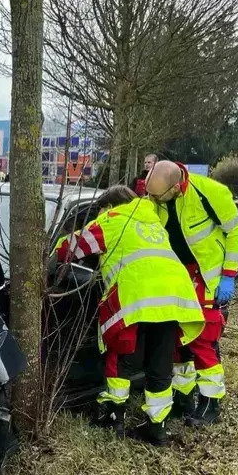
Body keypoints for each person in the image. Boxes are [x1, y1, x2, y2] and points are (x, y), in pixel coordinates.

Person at [53, 184, 205, 446]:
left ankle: (114, 417)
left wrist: (58, 242)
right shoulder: (151, 221)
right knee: (160, 364)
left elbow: (68, 249)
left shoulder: (112, 221)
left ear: (110, 206)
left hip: (138, 297)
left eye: (100, 211)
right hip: (173, 299)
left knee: (120, 358)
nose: (98, 216)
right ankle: (157, 428)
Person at [144, 160, 238, 426]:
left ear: (177, 187)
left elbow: (235, 231)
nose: (153, 200)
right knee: (178, 338)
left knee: (203, 338)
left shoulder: (210, 192)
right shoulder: (155, 197)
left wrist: (228, 275)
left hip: (206, 276)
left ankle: (211, 402)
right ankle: (183, 396)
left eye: (158, 196)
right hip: (177, 276)